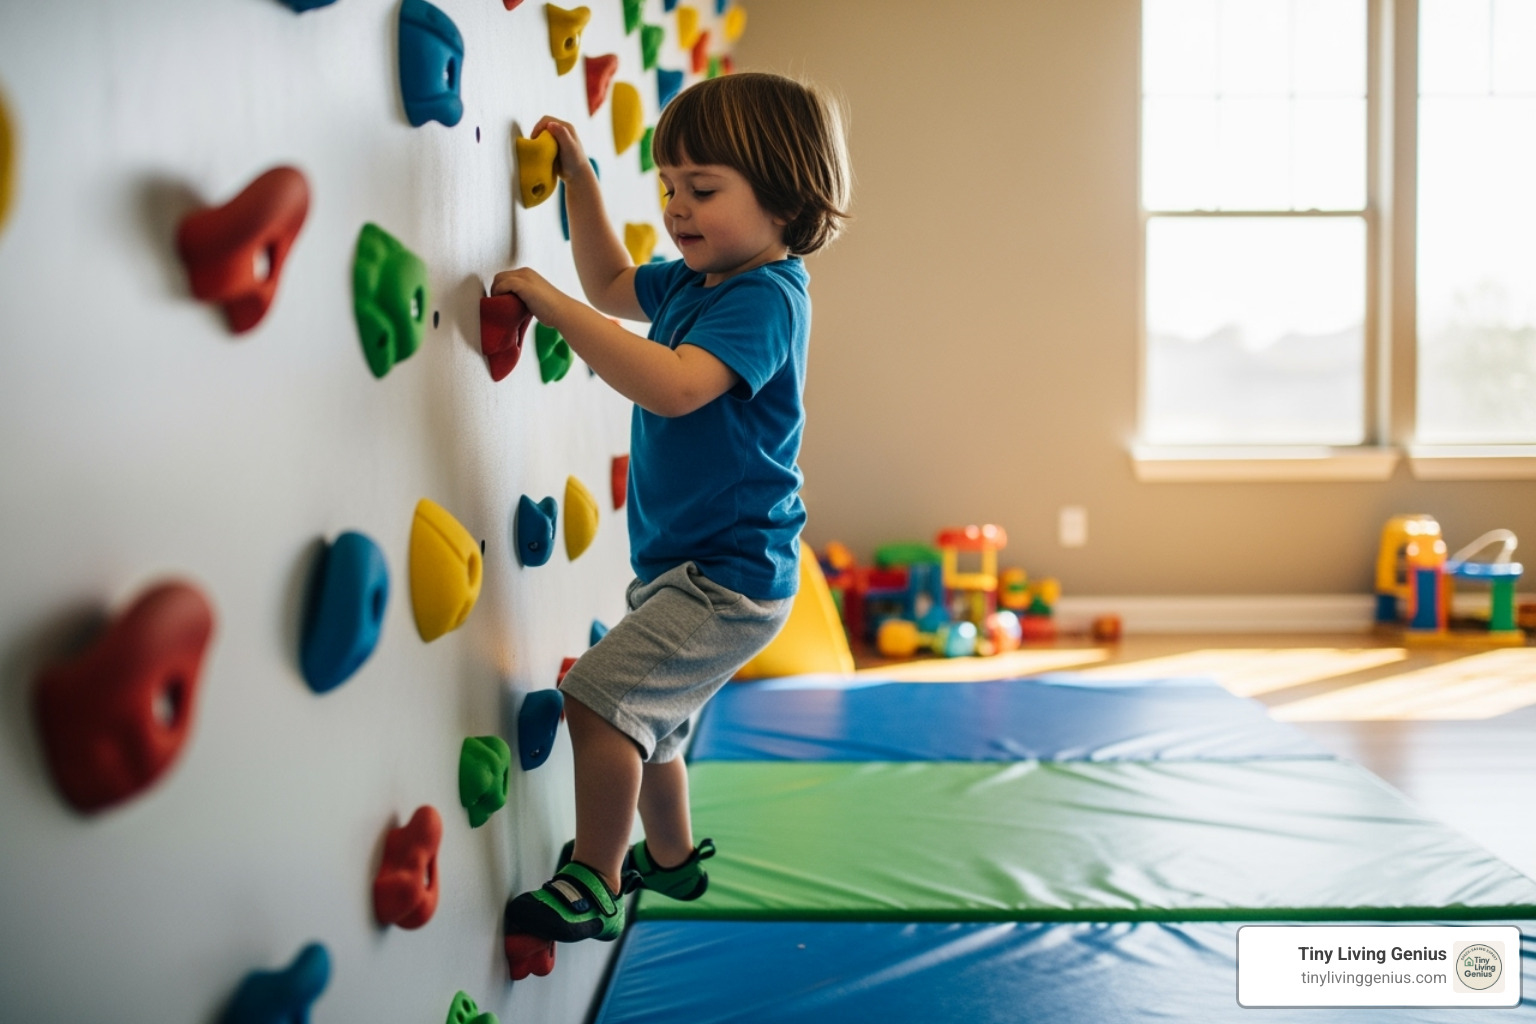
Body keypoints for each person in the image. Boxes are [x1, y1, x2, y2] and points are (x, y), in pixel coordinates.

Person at [491, 71, 851, 959]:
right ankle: (672, 859)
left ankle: (596, 881)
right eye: (668, 185)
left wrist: (550, 308)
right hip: (687, 564)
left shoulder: (765, 296)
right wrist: (581, 180)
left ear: (784, 199)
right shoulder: (699, 279)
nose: (678, 207)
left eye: (703, 189)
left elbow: (677, 385)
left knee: (598, 701)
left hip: (730, 575)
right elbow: (612, 279)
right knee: (652, 728)